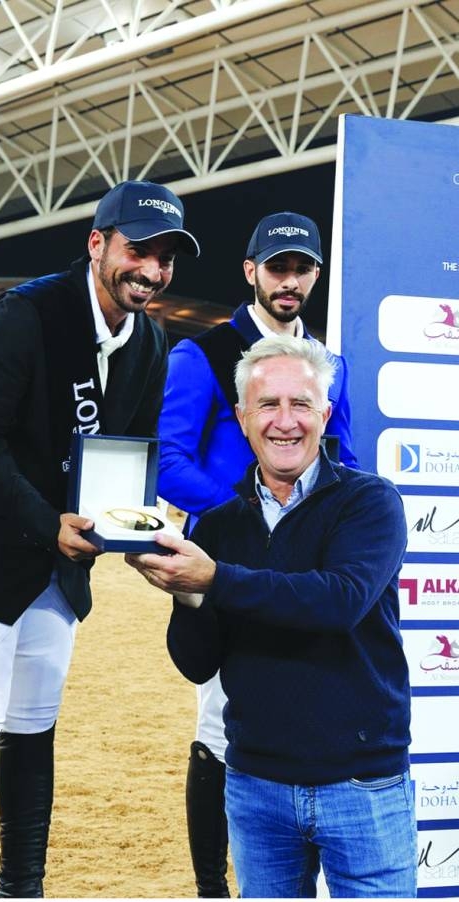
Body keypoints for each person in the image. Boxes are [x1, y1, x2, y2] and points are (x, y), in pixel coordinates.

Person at [0, 180, 200, 897]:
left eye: (165, 259)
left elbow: (132, 451)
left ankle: (21, 889)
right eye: (139, 251)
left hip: (64, 559)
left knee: (35, 726)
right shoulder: (25, 314)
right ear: (98, 244)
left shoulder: (152, 339)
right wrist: (46, 524)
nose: (152, 272)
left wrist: (139, 523)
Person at [127, 334, 415, 899]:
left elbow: (337, 601)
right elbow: (196, 662)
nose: (286, 422)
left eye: (301, 404)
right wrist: (187, 598)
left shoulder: (370, 503)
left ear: (325, 414)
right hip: (256, 783)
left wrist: (216, 580)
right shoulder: (219, 525)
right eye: (268, 405)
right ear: (241, 417)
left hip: (361, 784)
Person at [156, 212, 358, 897]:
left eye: (302, 269)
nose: (290, 281)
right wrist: (245, 519)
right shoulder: (203, 355)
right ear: (251, 272)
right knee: (219, 725)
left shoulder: (331, 365)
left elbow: (348, 461)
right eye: (278, 268)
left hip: (313, 570)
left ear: (315, 277)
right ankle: (214, 888)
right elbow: (170, 460)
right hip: (228, 565)